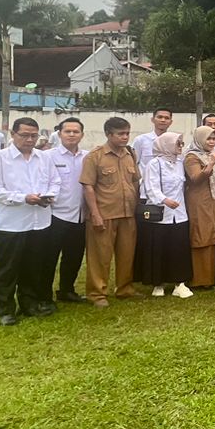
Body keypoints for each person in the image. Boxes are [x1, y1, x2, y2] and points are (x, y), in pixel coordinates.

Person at [0, 117, 59, 325]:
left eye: (33, 136)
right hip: (10, 223)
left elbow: (55, 181)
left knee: (33, 266)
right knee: (8, 268)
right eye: (24, 135)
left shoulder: (44, 158)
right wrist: (23, 198)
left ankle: (29, 304)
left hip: (39, 222)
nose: (29, 139)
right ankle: (5, 309)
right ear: (13, 134)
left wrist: (49, 195)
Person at [79, 116, 140, 307]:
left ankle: (124, 288)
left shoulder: (130, 154)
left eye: (127, 133)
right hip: (104, 214)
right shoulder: (95, 156)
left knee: (127, 254)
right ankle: (97, 294)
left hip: (128, 214)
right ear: (108, 134)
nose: (125, 137)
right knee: (100, 257)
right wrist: (95, 215)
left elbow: (135, 180)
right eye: (120, 134)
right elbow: (88, 187)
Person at [139, 131, 194, 298]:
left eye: (181, 143)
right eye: (178, 143)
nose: (180, 147)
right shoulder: (155, 164)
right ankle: (158, 283)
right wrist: (164, 199)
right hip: (160, 214)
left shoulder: (179, 163)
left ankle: (180, 283)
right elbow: (151, 187)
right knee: (159, 249)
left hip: (180, 214)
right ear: (167, 144)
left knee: (179, 249)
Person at [42, 117, 88, 303]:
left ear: (82, 135)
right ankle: (44, 295)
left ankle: (67, 290)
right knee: (49, 258)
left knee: (74, 256)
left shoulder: (88, 157)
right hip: (56, 215)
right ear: (59, 134)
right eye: (67, 131)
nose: (71, 134)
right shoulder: (48, 156)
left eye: (75, 131)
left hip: (81, 216)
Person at [183, 125, 215, 291]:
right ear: (200, 139)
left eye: (214, 138)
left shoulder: (208, 155)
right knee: (201, 236)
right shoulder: (192, 157)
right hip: (199, 200)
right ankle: (199, 279)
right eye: (208, 138)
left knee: (211, 236)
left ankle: (209, 277)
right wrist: (212, 162)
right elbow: (195, 178)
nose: (212, 141)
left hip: (212, 200)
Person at [132, 108, 173, 173]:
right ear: (152, 120)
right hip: (145, 182)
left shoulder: (174, 142)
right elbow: (133, 163)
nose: (163, 120)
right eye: (160, 117)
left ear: (171, 122)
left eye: (166, 118)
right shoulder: (141, 140)